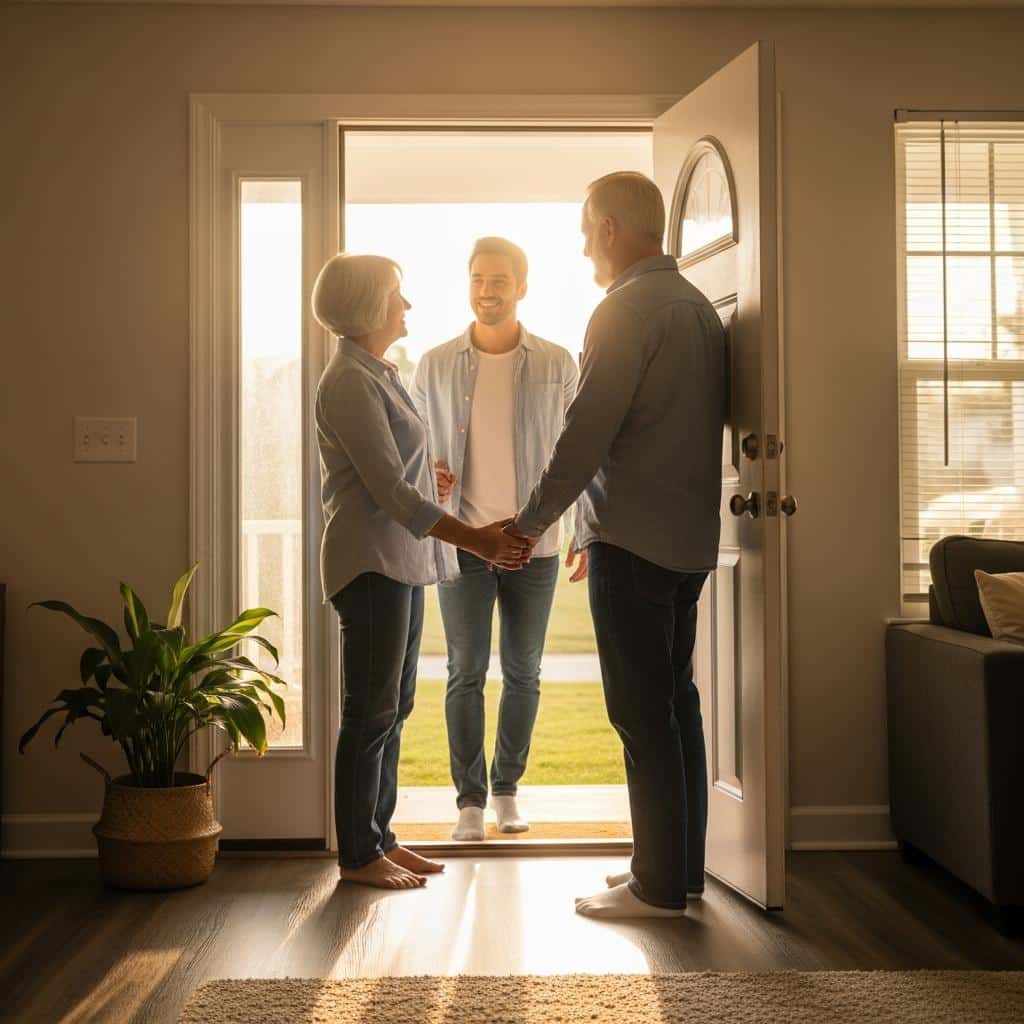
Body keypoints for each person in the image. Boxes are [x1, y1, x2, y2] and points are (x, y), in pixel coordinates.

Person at [510, 172, 727, 918]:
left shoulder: (623, 311)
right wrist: (581, 526)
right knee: (677, 705)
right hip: (689, 543)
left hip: (633, 545)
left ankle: (656, 887)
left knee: (642, 714)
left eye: (583, 229)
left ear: (608, 228)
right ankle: (676, 870)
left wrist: (533, 520)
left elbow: (585, 438)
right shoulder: (699, 307)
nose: (581, 245)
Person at [312, 252, 532, 891]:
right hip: (371, 564)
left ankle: (380, 837)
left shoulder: (377, 372)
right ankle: (358, 856)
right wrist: (478, 541)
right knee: (370, 711)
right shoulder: (350, 381)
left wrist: (425, 478)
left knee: (395, 706)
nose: (406, 307)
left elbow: (396, 474)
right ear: (368, 306)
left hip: (401, 563)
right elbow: (390, 494)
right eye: (396, 295)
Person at [411, 237, 579, 841]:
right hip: (463, 539)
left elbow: (581, 456)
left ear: (522, 287)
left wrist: (582, 533)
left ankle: (507, 791)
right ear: (469, 284)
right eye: (479, 279)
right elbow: (407, 449)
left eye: (500, 281)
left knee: (525, 671)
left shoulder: (559, 363)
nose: (488, 291)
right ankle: (469, 803)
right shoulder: (431, 364)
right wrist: (429, 469)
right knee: (465, 671)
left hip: (535, 542)